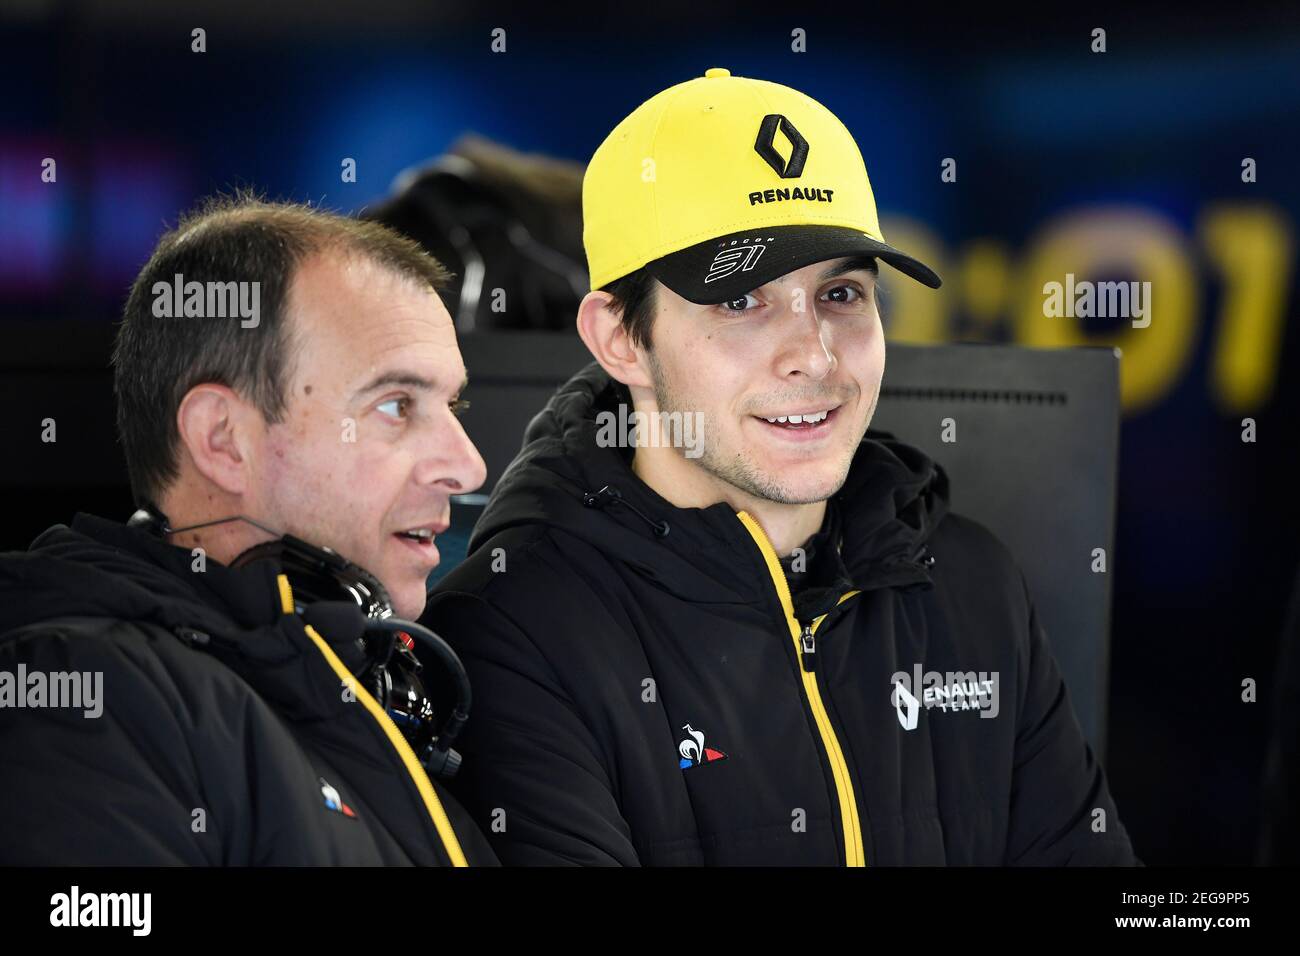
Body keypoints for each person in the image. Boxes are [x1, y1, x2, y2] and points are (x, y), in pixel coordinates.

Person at [424, 68, 1139, 865]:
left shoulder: (969, 581)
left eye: (840, 295)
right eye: (741, 301)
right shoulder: (512, 629)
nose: (813, 356)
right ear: (619, 338)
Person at [0, 195, 496, 865]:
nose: (466, 465)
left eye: (452, 403)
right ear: (224, 440)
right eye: (396, 404)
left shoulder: (360, 688)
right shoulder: (87, 706)